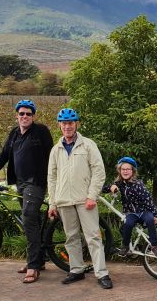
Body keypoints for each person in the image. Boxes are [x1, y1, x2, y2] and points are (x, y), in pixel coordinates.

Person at [0, 99, 53, 283]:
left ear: (33, 116)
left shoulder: (41, 131)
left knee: (28, 218)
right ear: (17, 116)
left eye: (28, 114)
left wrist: (54, 180)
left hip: (36, 182)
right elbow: (4, 155)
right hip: (21, 183)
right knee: (34, 221)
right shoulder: (14, 133)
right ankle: (40, 259)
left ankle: (33, 266)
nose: (24, 116)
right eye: (21, 113)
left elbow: (52, 155)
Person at [47, 108, 112, 288]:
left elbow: (99, 172)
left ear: (77, 124)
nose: (67, 126)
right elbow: (51, 178)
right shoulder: (55, 150)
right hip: (64, 201)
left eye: (70, 123)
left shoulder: (88, 145)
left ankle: (102, 273)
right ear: (59, 125)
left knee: (93, 237)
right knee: (71, 237)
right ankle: (76, 270)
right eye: (64, 123)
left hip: (85, 200)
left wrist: (92, 196)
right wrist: (52, 202)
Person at [108, 156, 157, 257]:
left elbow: (148, 200)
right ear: (119, 171)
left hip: (143, 211)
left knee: (150, 220)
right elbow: (107, 188)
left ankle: (154, 246)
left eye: (128, 169)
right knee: (128, 224)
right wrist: (111, 187)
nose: (125, 171)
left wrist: (155, 214)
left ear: (133, 171)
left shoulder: (138, 184)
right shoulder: (120, 183)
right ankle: (125, 246)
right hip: (131, 213)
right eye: (123, 169)